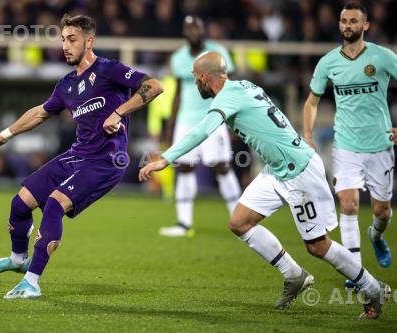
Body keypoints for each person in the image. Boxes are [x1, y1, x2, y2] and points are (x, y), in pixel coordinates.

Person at [139, 51, 390, 319]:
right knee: (239, 222)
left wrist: (165, 159)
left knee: (317, 245)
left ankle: (374, 289)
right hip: (277, 169)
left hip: (298, 171)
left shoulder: (228, 97)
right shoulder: (244, 85)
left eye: (195, 79)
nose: (195, 84)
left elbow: (202, 130)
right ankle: (294, 275)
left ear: (203, 77)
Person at [0, 14, 163, 299]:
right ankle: (18, 260)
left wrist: (119, 112)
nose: (65, 46)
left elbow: (154, 86)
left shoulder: (109, 69)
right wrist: (4, 136)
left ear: (89, 42)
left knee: (54, 205)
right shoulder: (66, 84)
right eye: (63, 39)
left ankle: (32, 282)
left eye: (72, 40)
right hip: (77, 156)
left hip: (107, 161)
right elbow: (40, 113)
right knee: (20, 203)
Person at [303, 2, 397, 290]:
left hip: (380, 145)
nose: (347, 25)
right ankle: (357, 271)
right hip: (345, 145)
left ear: (365, 25)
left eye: (353, 21)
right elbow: (312, 101)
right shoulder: (328, 62)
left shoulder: (382, 57)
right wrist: (307, 133)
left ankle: (377, 237)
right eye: (344, 20)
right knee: (348, 202)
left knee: (382, 211)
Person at [161, 16, 241, 237]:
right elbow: (177, 93)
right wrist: (170, 125)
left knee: (222, 167)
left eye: (196, 27)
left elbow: (231, 87)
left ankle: (241, 219)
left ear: (203, 29)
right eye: (188, 28)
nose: (193, 32)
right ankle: (184, 224)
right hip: (186, 120)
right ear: (184, 32)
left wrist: (233, 119)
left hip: (214, 116)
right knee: (185, 168)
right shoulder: (178, 58)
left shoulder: (218, 53)